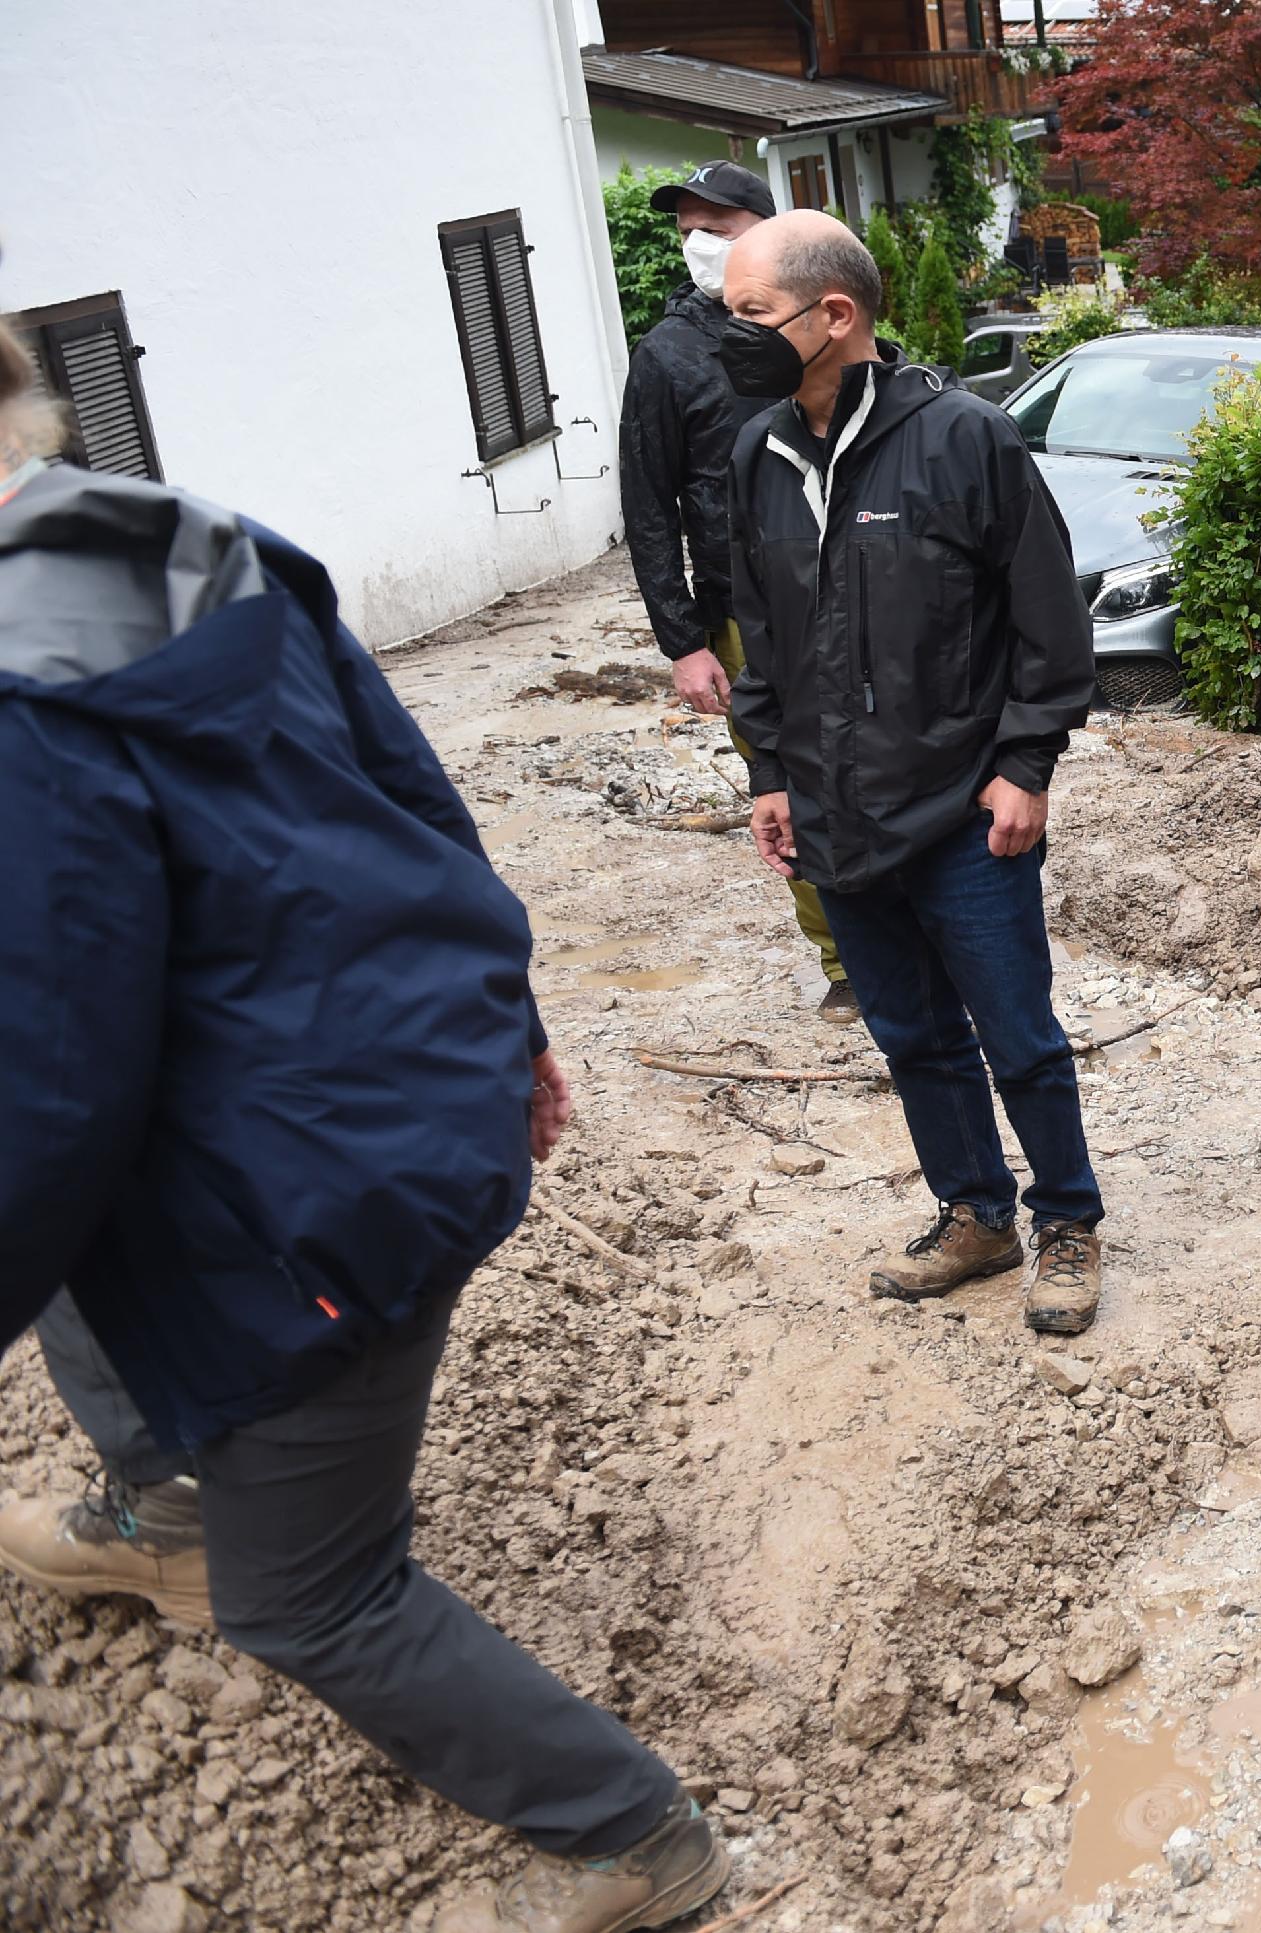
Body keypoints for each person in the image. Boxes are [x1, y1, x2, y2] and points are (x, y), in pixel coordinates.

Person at [0, 322, 724, 1933]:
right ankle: (165, 1504)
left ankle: (637, 1835)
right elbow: (408, 801)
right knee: (80, 1275)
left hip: (302, 1187)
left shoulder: (10, 697)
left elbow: (49, 1081)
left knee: (308, 1596)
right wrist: (510, 1022)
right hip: (398, 1084)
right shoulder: (197, 545)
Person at [722, 212, 1109, 1329]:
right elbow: (765, 631)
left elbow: (1050, 627)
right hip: (838, 813)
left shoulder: (965, 440)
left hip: (963, 812)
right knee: (911, 1035)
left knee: (1017, 1032)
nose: (728, 334)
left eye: (750, 314)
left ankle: (1067, 1222)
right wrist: (770, 774)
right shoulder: (760, 453)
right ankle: (975, 1214)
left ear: (833, 315)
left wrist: (1025, 765)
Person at [616, 161, 854, 1024]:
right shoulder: (669, 354)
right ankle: (844, 959)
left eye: (718, 224)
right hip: (743, 610)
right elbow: (648, 504)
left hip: (856, 581)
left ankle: (925, 929)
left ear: (766, 225)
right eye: (688, 228)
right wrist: (682, 638)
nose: (699, 243)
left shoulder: (815, 319)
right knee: (785, 778)